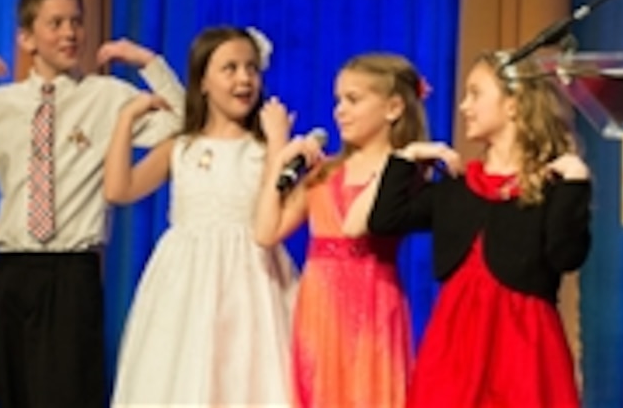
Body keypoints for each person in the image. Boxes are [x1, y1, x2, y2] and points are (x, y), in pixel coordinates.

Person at [0, 0, 185, 408]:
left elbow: (180, 121)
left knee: (69, 395)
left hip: (72, 272)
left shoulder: (108, 97)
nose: (70, 33)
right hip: (12, 270)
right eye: (56, 23)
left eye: (77, 23)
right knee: (14, 392)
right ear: (26, 38)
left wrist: (147, 62)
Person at [368, 51, 592, 408]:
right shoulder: (458, 188)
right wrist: (407, 157)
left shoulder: (549, 187)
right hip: (455, 350)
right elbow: (384, 220)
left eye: (475, 94)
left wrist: (575, 186)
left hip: (523, 351)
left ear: (513, 106)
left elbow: (565, 255)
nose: (463, 106)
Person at [106, 25, 310, 407]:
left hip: (253, 278)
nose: (244, 78)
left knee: (248, 376)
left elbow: (276, 208)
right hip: (187, 281)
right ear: (202, 82)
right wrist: (124, 122)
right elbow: (120, 189)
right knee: (185, 374)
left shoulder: (264, 146)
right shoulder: (181, 146)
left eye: (251, 68)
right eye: (229, 68)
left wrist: (280, 142)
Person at [253, 53, 427, 408]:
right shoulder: (325, 171)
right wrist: (279, 167)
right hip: (320, 307)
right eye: (338, 100)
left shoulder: (404, 172)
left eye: (353, 100)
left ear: (393, 107)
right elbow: (266, 231)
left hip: (374, 303)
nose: (339, 111)